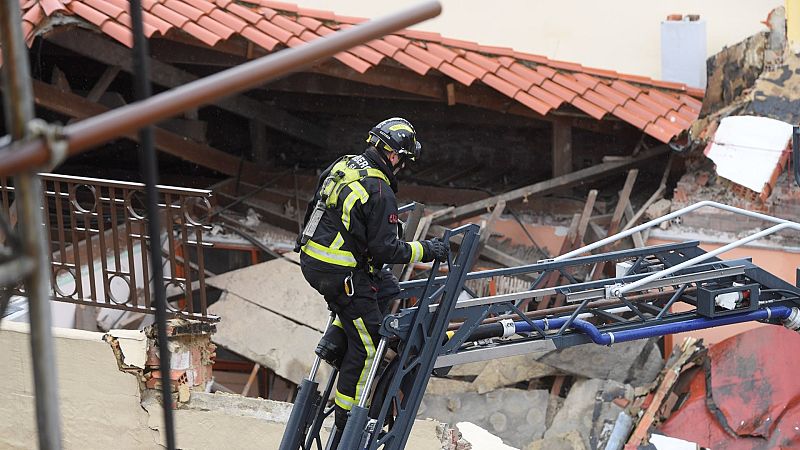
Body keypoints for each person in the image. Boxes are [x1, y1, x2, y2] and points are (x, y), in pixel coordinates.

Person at [295, 117, 448, 445]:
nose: (402, 168)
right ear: (394, 155)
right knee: (367, 345)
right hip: (340, 271)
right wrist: (428, 250)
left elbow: (316, 206)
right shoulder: (379, 189)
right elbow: (386, 248)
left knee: (384, 289)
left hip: (315, 261)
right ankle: (346, 413)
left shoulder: (347, 164)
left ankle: (334, 341)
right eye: (404, 161)